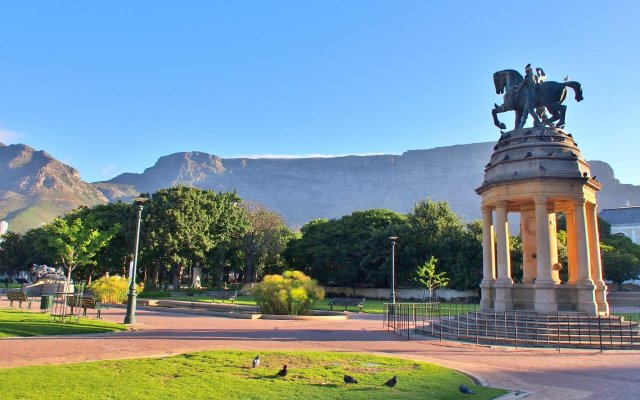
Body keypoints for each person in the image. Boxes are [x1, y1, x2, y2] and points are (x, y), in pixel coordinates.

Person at [516, 64, 543, 128]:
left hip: (529, 96)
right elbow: (538, 84)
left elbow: (519, 88)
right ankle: (521, 126)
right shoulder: (535, 77)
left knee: (531, 110)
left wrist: (515, 88)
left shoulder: (527, 79)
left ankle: (539, 123)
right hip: (536, 95)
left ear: (527, 72)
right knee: (525, 112)